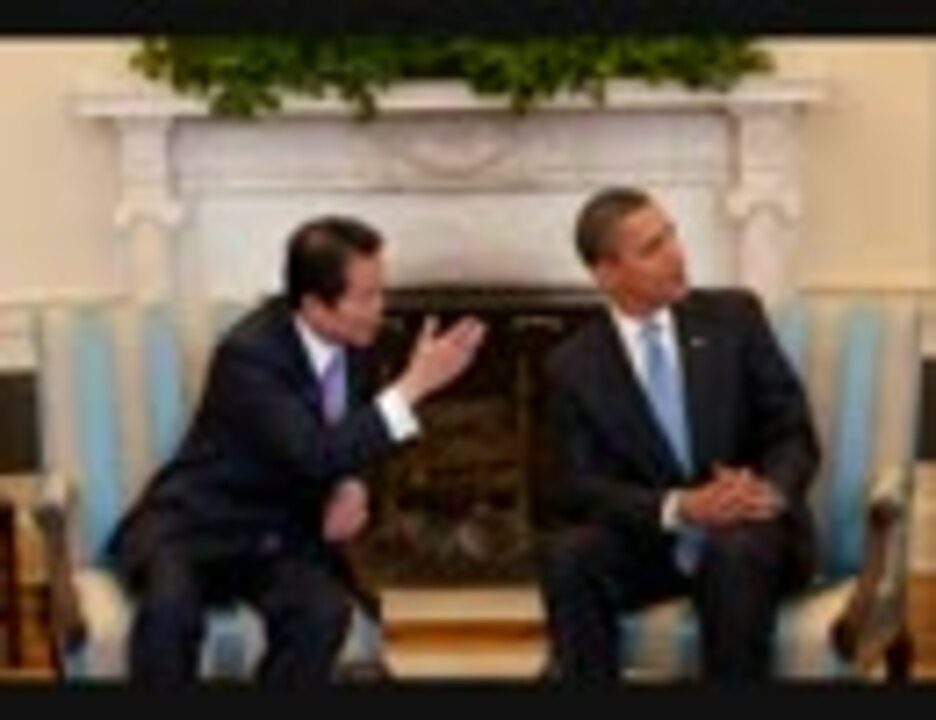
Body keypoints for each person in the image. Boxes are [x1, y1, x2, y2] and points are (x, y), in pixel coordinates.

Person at [107, 215, 486, 686]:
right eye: (366, 297)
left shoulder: (360, 345)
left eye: (381, 292)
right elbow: (314, 453)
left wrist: (353, 485)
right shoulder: (249, 355)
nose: (380, 309)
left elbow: (359, 438)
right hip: (198, 526)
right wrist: (413, 387)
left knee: (322, 612)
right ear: (313, 305)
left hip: (280, 533)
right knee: (170, 612)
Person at [538, 186, 820, 682]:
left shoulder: (735, 317)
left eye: (671, 235)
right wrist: (678, 506)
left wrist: (768, 491)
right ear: (607, 274)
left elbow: (791, 429)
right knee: (568, 557)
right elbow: (576, 487)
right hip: (653, 542)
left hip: (750, 532)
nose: (676, 255)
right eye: (652, 249)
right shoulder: (573, 366)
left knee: (732, 553)